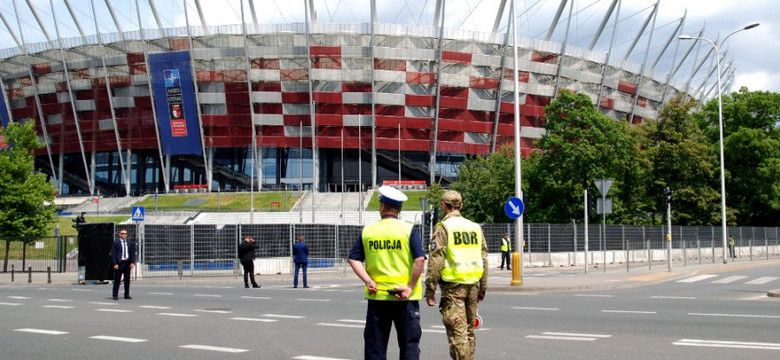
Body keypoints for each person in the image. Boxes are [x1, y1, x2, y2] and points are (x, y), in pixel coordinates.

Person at [348, 186, 426, 360]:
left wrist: (368, 281)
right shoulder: (408, 230)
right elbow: (420, 259)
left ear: (383, 207)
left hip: (378, 297)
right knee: (409, 347)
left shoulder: (368, 231)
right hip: (405, 297)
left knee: (375, 347)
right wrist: (409, 287)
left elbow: (353, 259)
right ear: (399, 209)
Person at [425, 190, 488, 360]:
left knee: (457, 333)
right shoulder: (475, 227)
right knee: (469, 331)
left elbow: (436, 260)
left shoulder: (443, 228)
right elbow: (483, 258)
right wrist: (483, 287)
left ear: (444, 206)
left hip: (453, 287)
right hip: (473, 285)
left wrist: (430, 290)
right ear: (461, 206)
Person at [110, 229, 135, 300]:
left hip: (127, 263)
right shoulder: (116, 243)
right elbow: (113, 254)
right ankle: (115, 294)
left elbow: (132, 253)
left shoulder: (129, 243)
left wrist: (132, 262)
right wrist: (115, 263)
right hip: (119, 263)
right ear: (120, 235)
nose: (125, 235)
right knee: (117, 280)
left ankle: (126, 294)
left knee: (127, 280)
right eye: (123, 233)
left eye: (126, 233)